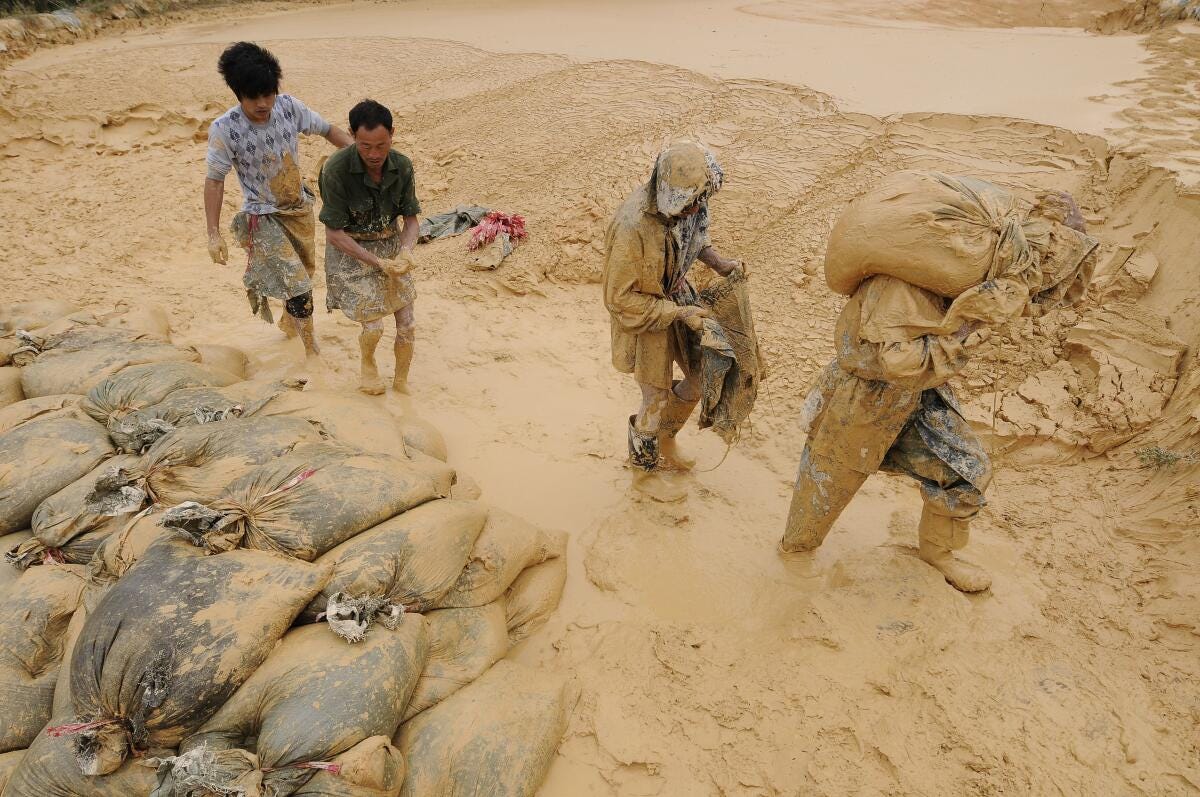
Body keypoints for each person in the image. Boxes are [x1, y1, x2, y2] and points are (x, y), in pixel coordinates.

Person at [780, 190, 1096, 593]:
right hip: (862, 397)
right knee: (825, 486)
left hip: (921, 394)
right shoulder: (906, 287)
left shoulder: (972, 273)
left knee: (968, 470)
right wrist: (964, 343)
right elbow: (897, 361)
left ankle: (938, 550)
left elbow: (1032, 300)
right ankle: (794, 555)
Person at [602, 141, 743, 502]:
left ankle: (667, 437)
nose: (697, 208)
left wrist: (717, 262)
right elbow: (619, 299)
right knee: (655, 395)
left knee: (700, 376)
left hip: (678, 294)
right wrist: (677, 313)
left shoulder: (691, 202)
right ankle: (643, 470)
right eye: (690, 203)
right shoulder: (631, 227)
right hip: (645, 312)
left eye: (700, 200)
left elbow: (695, 237)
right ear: (669, 196)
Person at [203, 41, 352, 365]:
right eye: (253, 96)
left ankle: (292, 319)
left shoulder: (288, 107)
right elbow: (215, 181)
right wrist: (213, 234)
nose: (263, 103)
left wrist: (363, 157)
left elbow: (329, 131)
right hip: (262, 216)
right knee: (299, 284)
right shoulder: (224, 129)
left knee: (304, 273)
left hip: (299, 210)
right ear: (237, 93)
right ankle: (312, 352)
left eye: (268, 93)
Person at [318, 100, 421, 395]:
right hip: (350, 248)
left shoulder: (402, 166)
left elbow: (411, 220)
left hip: (388, 242)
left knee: (407, 323)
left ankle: (401, 382)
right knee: (374, 326)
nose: (374, 154)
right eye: (365, 146)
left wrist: (406, 251)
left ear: (392, 134)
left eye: (381, 145)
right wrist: (377, 264)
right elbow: (334, 234)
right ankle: (368, 364)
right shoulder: (335, 170)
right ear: (351, 135)